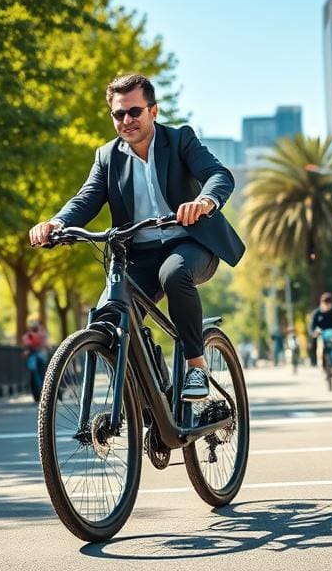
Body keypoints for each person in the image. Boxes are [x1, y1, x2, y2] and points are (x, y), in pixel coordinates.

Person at [28, 73, 244, 401]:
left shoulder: (180, 140)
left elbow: (218, 175)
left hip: (189, 244)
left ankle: (196, 365)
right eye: (119, 114)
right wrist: (56, 223)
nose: (127, 120)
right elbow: (86, 199)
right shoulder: (107, 157)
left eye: (135, 112)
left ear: (153, 111)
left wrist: (204, 202)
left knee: (174, 274)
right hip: (139, 254)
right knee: (109, 318)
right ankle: (155, 390)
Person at [309, 292, 332, 372]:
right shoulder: (317, 313)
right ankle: (319, 362)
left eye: (328, 303)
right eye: (324, 303)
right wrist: (314, 333)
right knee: (318, 346)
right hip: (321, 334)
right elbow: (312, 326)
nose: (326, 305)